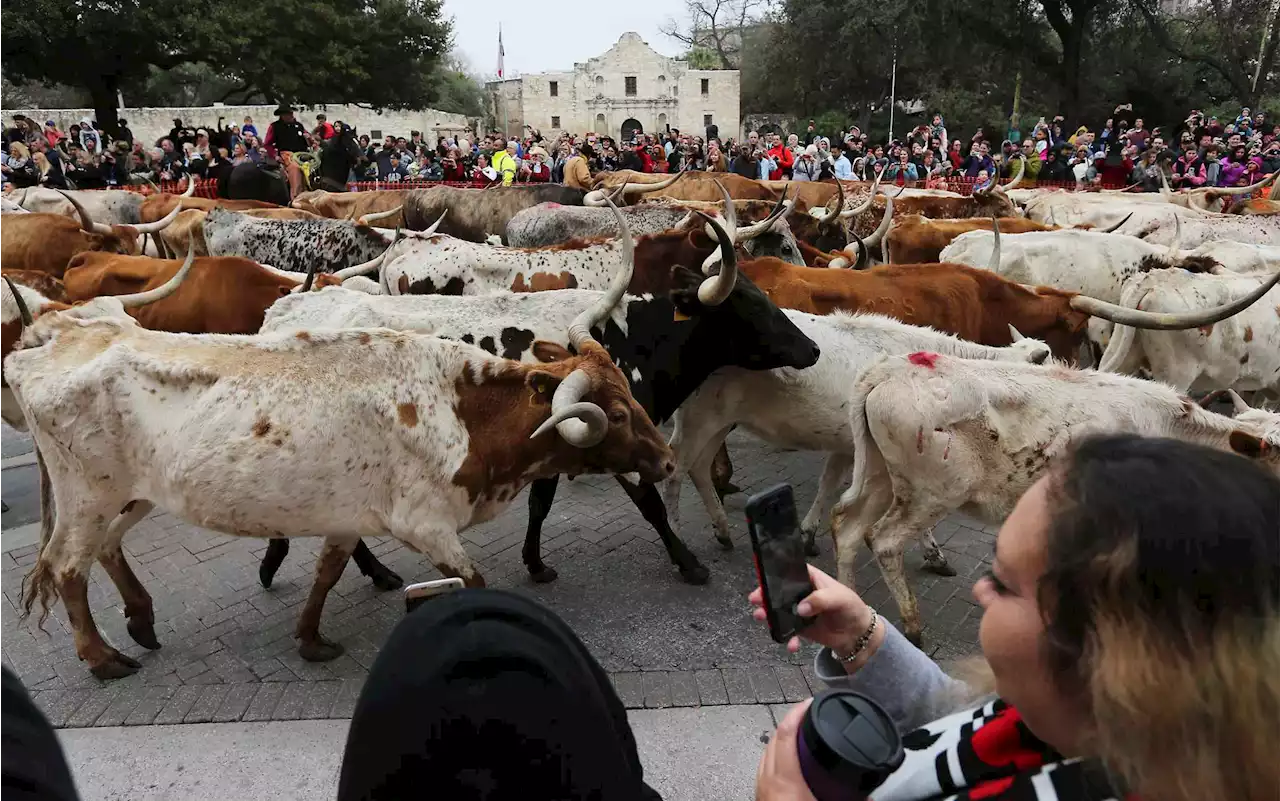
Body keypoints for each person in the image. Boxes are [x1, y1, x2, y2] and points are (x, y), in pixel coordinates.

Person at [754, 435, 1279, 801]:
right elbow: (966, 719)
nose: (979, 590)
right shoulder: (1082, 729)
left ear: (1114, 665)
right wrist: (860, 634)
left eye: (1003, 583)